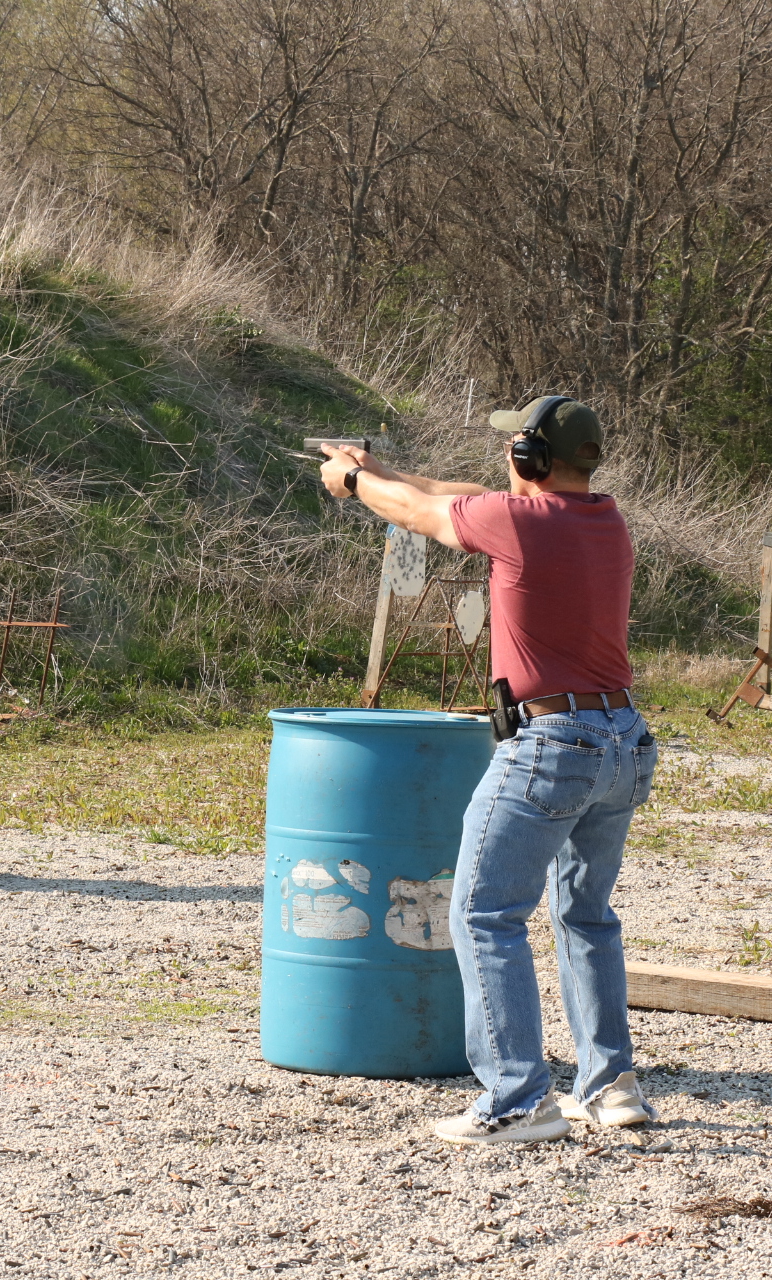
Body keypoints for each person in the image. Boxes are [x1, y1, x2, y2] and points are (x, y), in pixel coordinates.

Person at [318, 396, 658, 1145]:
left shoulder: (517, 523)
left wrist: (353, 484)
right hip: (623, 740)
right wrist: (382, 468)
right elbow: (454, 495)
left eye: (513, 447)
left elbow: (420, 514)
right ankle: (611, 1086)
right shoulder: (604, 519)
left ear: (530, 457)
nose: (505, 456)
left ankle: (516, 1098)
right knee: (586, 915)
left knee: (482, 914)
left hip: (553, 744)